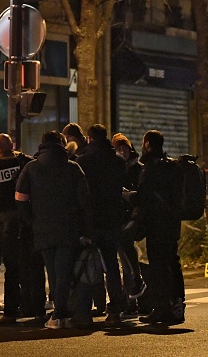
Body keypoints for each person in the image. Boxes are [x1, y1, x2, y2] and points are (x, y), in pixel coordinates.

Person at [15, 130, 90, 329]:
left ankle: (58, 313)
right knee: (64, 270)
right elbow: (84, 200)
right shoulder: (73, 167)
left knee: (52, 271)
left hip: (42, 228)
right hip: (68, 228)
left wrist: (32, 221)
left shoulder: (31, 167)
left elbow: (20, 199)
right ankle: (60, 313)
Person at [125, 130, 185, 325]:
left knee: (158, 267)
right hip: (172, 223)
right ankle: (177, 305)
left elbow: (143, 197)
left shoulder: (150, 167)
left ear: (148, 143)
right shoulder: (172, 166)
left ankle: (161, 309)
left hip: (156, 225)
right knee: (172, 264)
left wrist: (127, 195)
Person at [0, 133, 43, 325]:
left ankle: (10, 311)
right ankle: (35, 308)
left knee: (11, 267)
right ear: (12, 145)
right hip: (28, 218)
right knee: (33, 265)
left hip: (7, 221)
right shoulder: (25, 162)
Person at [74, 124, 127, 327]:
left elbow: (80, 193)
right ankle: (115, 309)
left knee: (87, 264)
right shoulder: (118, 162)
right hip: (112, 218)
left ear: (89, 139)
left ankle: (85, 310)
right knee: (111, 265)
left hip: (90, 219)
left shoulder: (83, 161)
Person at [111, 132, 146, 317]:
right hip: (121, 219)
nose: (122, 151)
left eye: (124, 147)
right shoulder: (115, 169)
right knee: (125, 263)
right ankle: (132, 301)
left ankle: (134, 301)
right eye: (118, 148)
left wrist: (126, 195)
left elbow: (140, 196)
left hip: (134, 220)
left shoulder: (137, 168)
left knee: (130, 263)